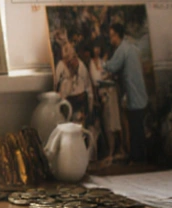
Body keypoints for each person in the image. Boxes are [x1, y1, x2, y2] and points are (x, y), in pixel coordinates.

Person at [103, 22, 149, 163]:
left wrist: (103, 63)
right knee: (138, 128)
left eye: (112, 36)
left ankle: (137, 158)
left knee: (135, 129)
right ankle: (139, 156)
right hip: (140, 94)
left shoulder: (123, 49)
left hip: (134, 95)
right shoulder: (132, 47)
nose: (111, 40)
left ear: (117, 35)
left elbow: (113, 65)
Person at [54, 41, 93, 123]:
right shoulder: (61, 67)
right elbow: (56, 87)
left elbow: (88, 91)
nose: (67, 63)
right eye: (65, 60)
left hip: (79, 107)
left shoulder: (81, 67)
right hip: (65, 106)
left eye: (70, 59)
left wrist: (89, 110)